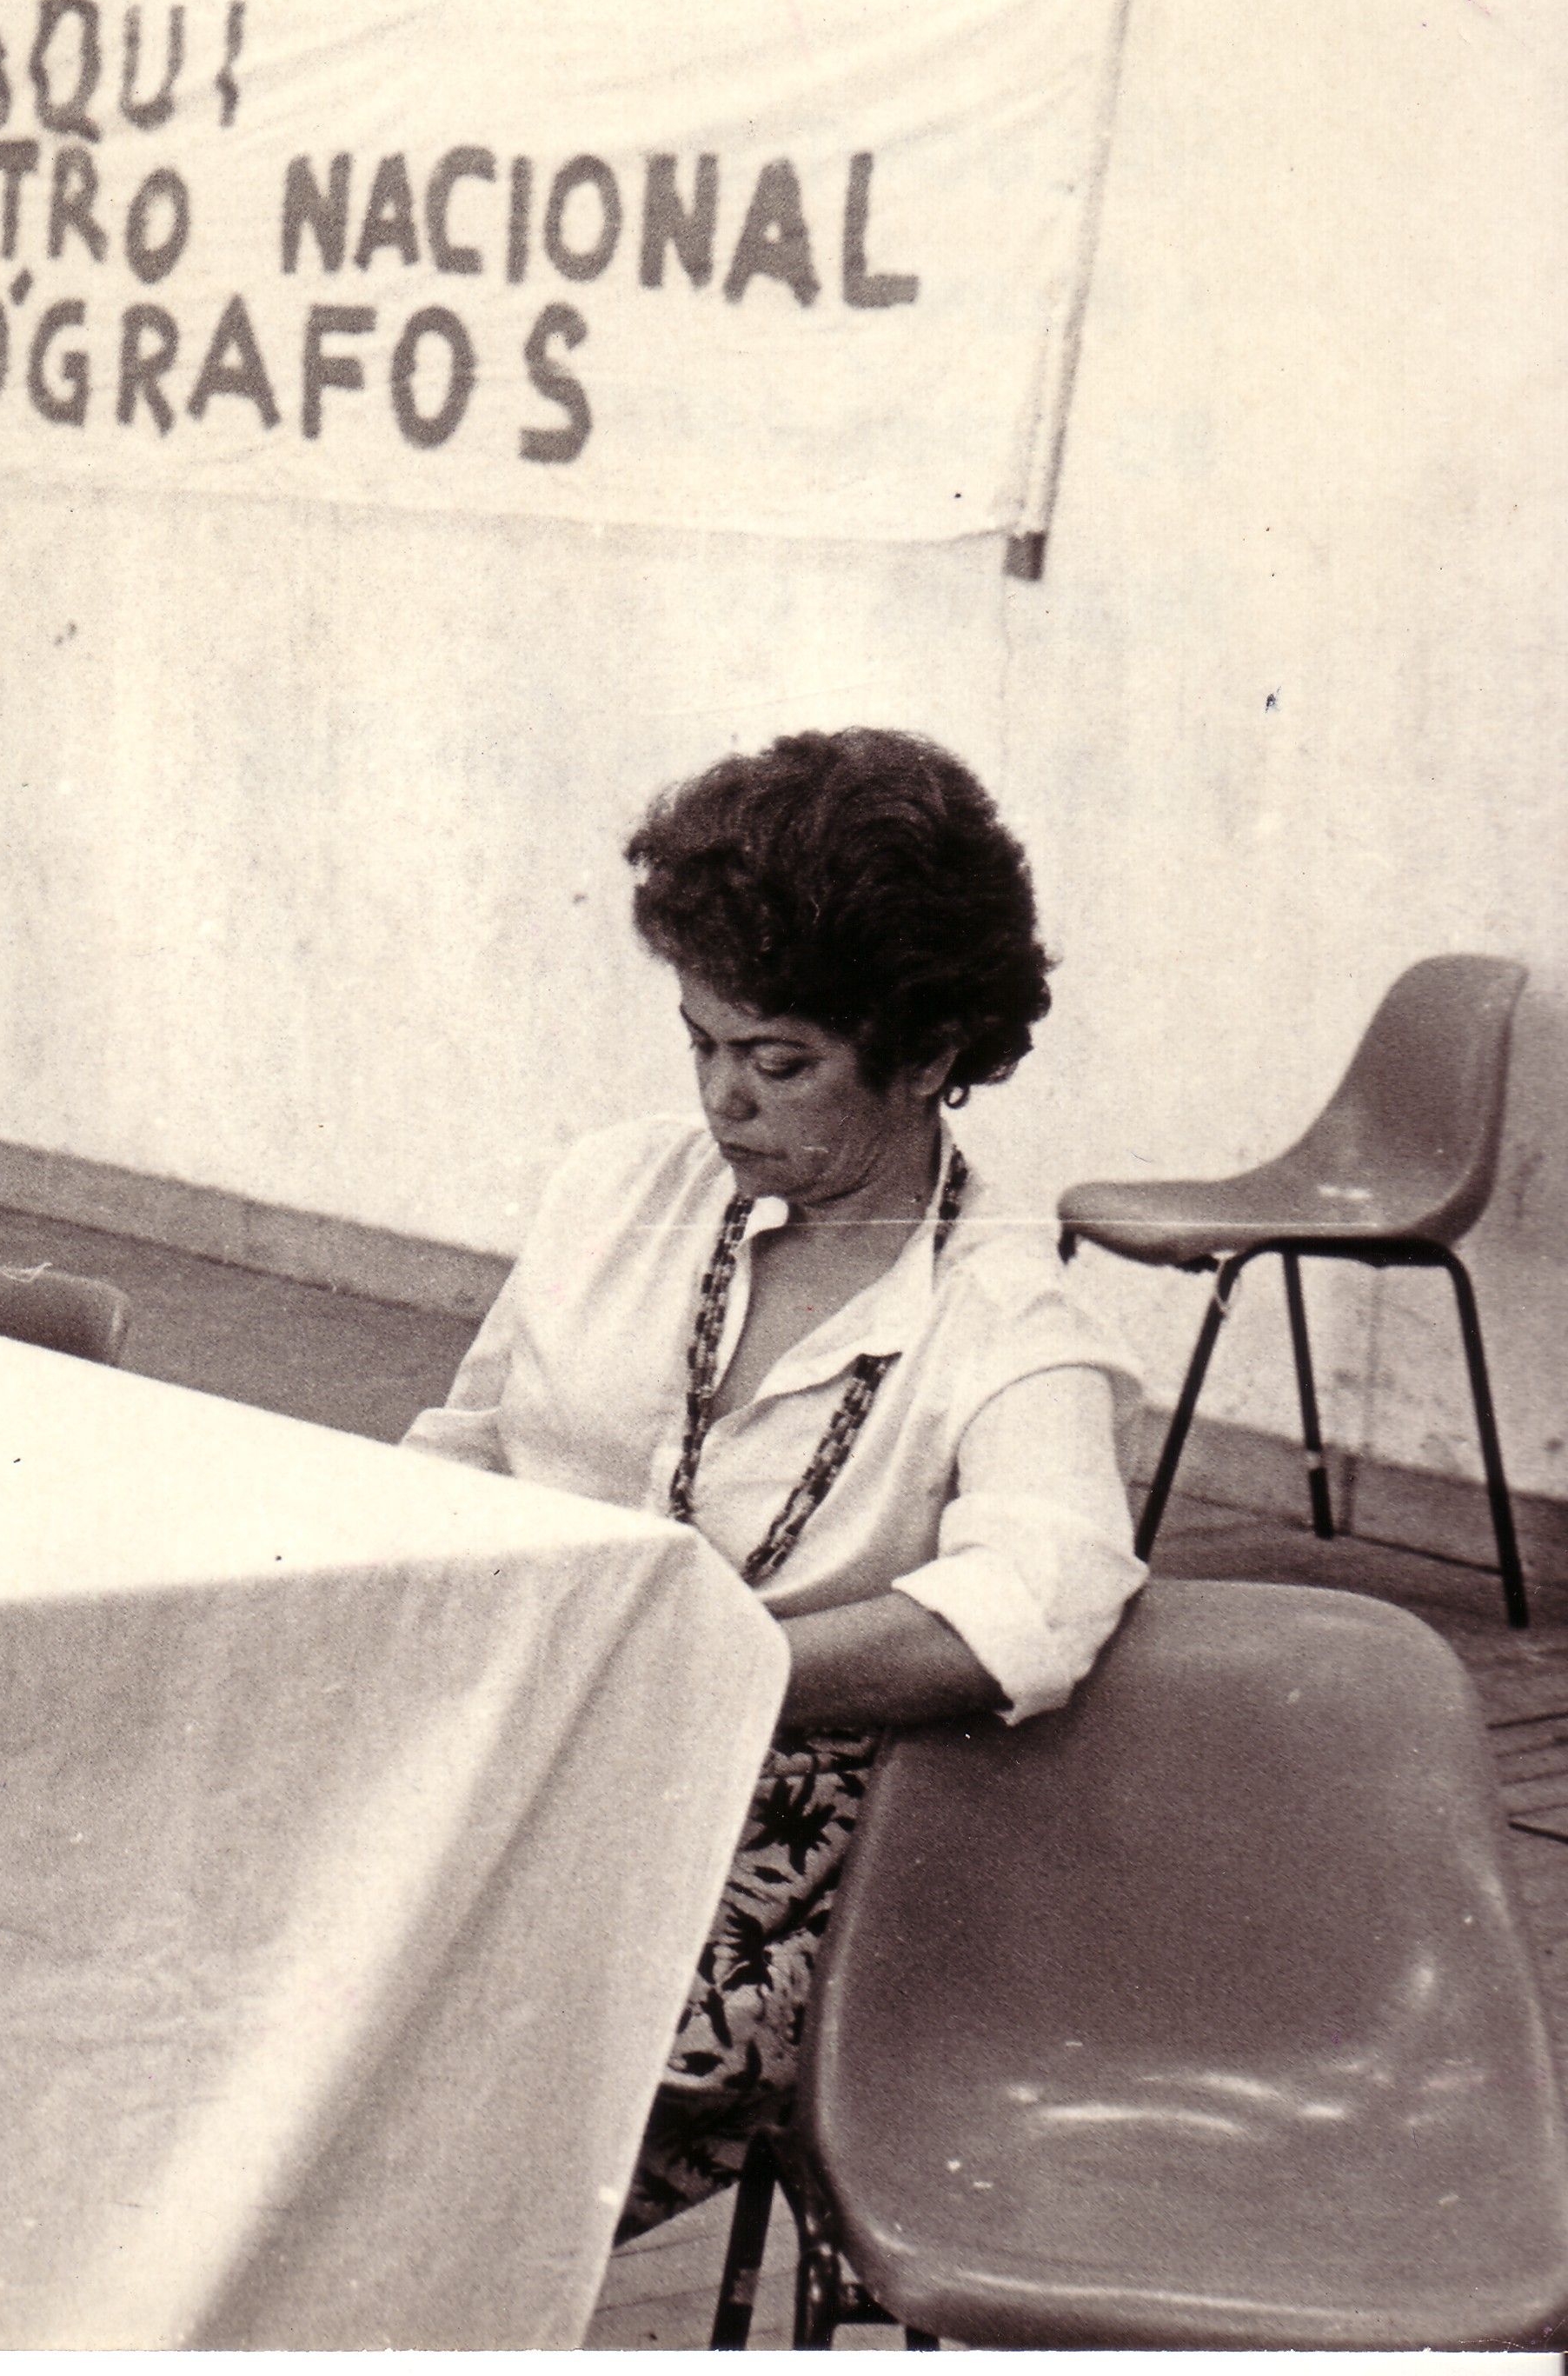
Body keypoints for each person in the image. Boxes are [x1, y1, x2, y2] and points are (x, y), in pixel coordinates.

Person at [401, 728, 1143, 2233]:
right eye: (699, 1042)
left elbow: (1025, 1609)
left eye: (776, 1060)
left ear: (927, 1057)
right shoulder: (615, 1189)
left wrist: (688, 1673)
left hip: (775, 1833)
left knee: (424, 2113)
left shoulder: (1009, 1322)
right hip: (524, 1743)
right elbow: (464, 1447)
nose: (719, 1101)